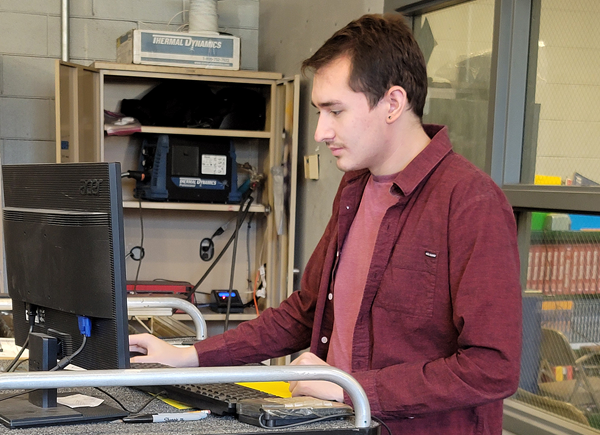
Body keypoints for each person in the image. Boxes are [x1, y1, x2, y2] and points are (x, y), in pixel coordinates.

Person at [129, 13, 522, 435]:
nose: (320, 131)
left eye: (335, 111)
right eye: (320, 112)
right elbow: (306, 311)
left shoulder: (470, 202)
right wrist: (189, 356)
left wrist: (350, 389)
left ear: (393, 103)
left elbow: (492, 368)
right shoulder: (355, 189)